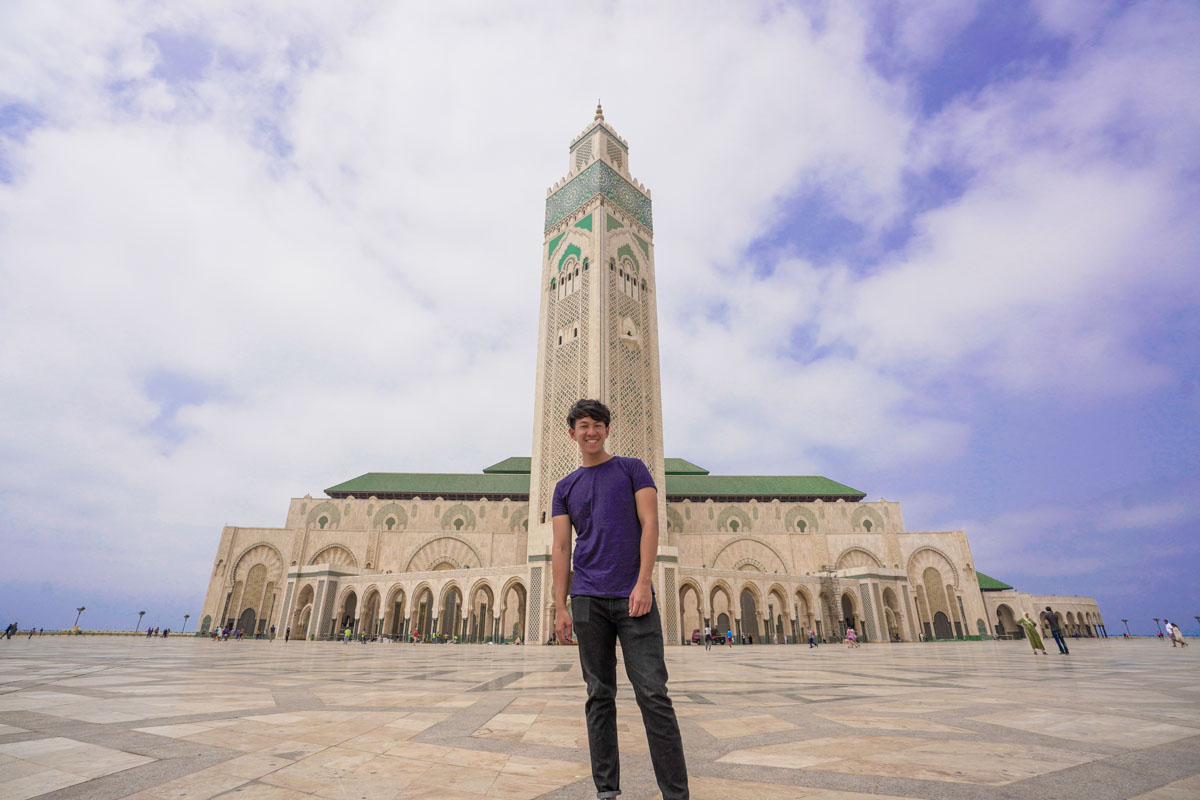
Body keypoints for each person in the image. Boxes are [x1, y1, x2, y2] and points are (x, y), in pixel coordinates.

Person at [552, 398, 689, 800]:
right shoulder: (565, 487)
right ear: (572, 433)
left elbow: (651, 523)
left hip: (634, 599)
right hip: (588, 600)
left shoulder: (632, 469)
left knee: (653, 694)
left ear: (607, 430)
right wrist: (560, 605)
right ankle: (607, 791)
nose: (590, 432)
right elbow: (562, 548)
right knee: (599, 696)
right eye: (583, 426)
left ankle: (676, 795)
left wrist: (644, 581)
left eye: (597, 425)